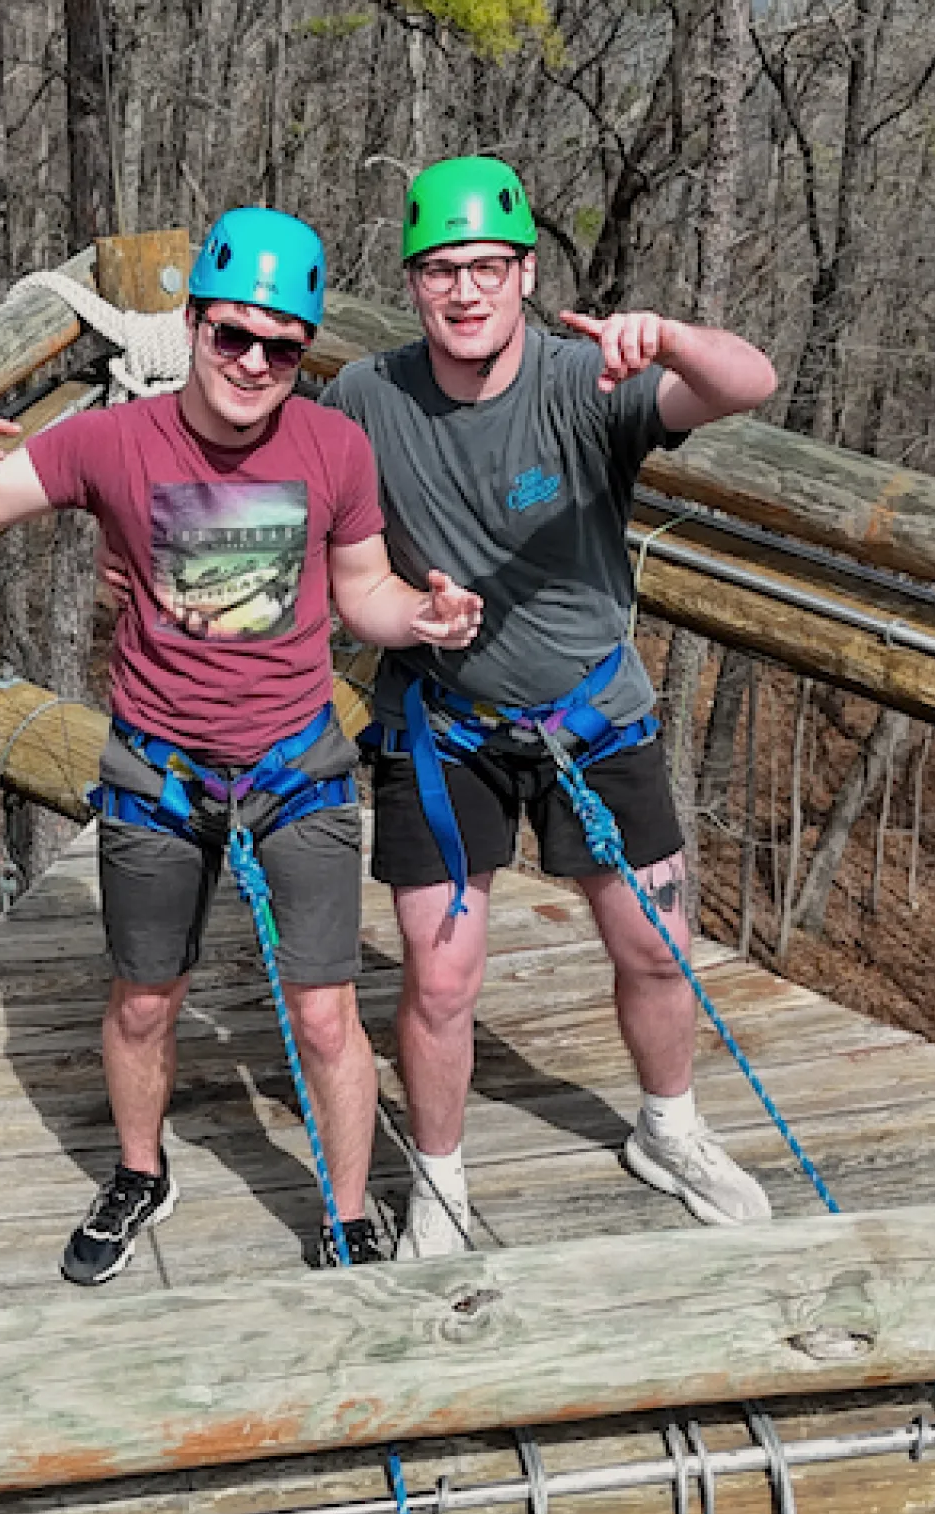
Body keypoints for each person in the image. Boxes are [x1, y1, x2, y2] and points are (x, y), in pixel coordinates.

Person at [0, 207, 483, 1283]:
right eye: (233, 335)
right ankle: (139, 1170)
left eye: (282, 346)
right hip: (157, 771)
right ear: (193, 323)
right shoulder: (109, 443)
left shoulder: (335, 448)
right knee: (142, 997)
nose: (255, 362)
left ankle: (348, 1212)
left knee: (323, 1013)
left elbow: (364, 594)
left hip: (295, 767)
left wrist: (426, 619)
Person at [319, 156, 783, 1259]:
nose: (466, 291)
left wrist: (665, 339)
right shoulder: (364, 401)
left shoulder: (586, 383)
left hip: (593, 716)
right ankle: (438, 1178)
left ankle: (667, 1129)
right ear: (414, 283)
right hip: (449, 727)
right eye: (441, 271)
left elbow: (746, 383)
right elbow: (322, 537)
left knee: (657, 947)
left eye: (488, 267)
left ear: (526, 273)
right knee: (439, 976)